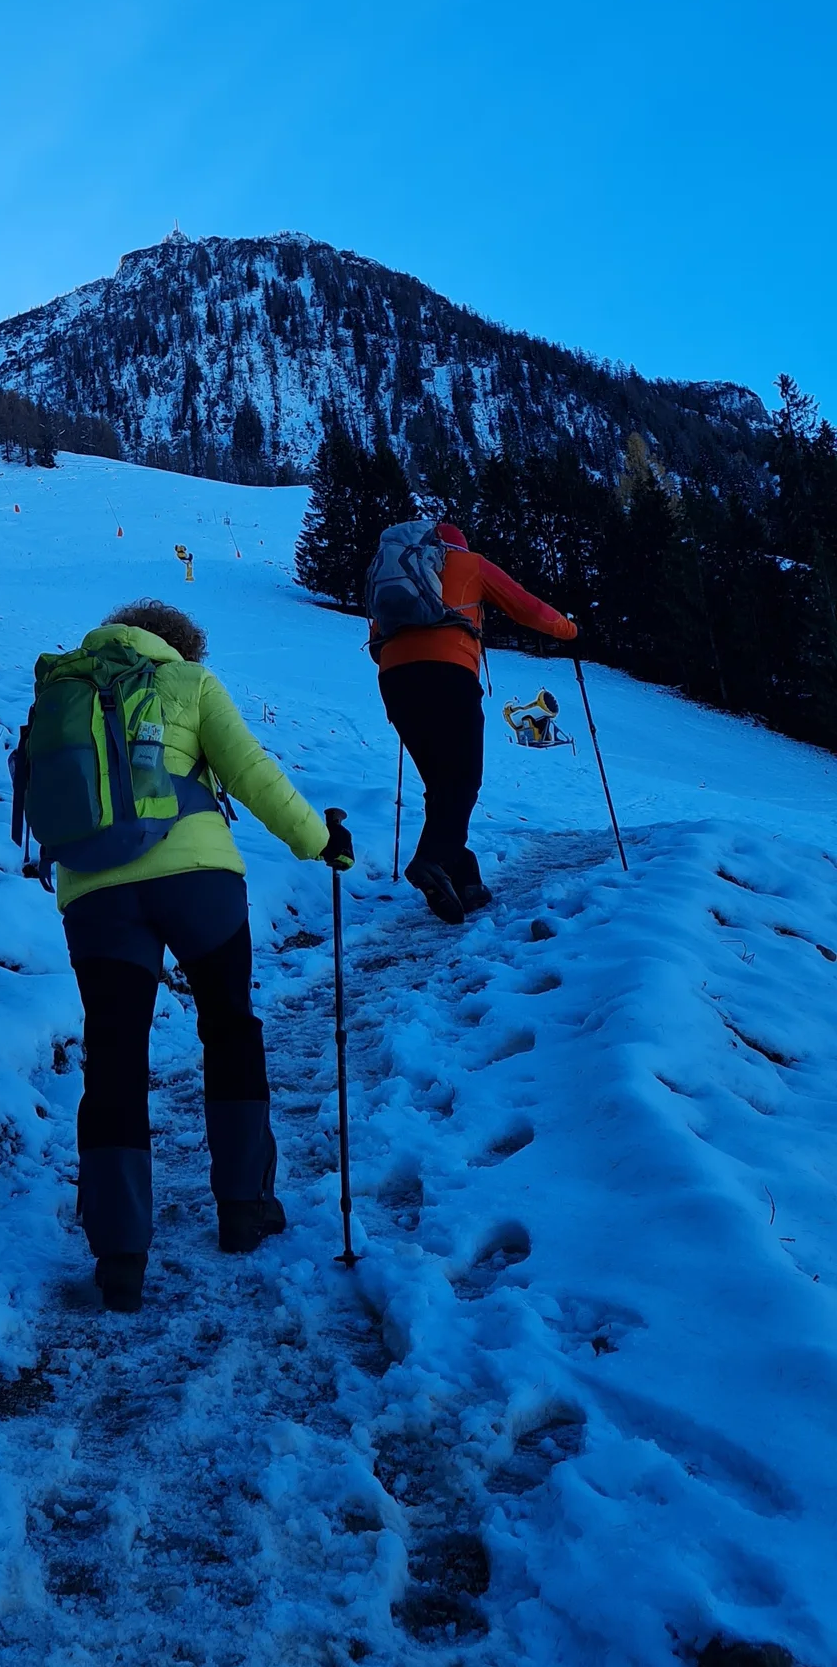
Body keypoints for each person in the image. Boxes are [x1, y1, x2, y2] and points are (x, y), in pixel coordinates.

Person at [44, 599, 351, 1308]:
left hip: (94, 894)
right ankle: (244, 1207)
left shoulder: (69, 686)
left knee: (115, 1055)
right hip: (198, 881)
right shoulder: (189, 683)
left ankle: (120, 1255)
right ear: (181, 645)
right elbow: (251, 772)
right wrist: (319, 841)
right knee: (229, 1026)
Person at [376, 521, 575, 923]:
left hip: (395, 682)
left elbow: (377, 640)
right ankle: (431, 860)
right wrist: (568, 629)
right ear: (459, 547)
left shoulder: (397, 574)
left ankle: (464, 879)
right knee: (464, 779)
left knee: (443, 783)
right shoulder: (470, 564)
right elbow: (527, 607)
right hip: (448, 676)